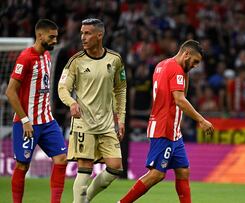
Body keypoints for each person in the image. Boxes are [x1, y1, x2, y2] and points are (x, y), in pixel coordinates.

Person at [119, 40, 214, 203]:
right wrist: (201, 120)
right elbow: (179, 99)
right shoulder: (176, 70)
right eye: (195, 61)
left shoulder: (162, 65)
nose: (196, 66)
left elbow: (178, 94)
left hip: (174, 131)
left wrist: (187, 71)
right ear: (186, 54)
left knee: (183, 171)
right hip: (164, 129)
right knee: (157, 174)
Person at [57, 18, 127, 203]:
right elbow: (62, 87)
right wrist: (71, 103)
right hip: (83, 123)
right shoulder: (76, 61)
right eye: (81, 33)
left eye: (87, 33)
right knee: (85, 167)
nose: (83, 37)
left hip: (105, 123)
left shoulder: (115, 60)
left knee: (115, 167)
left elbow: (120, 90)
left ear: (99, 35)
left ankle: (85, 199)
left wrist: (121, 119)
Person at [5, 19, 67, 203]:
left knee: (62, 159)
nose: (55, 40)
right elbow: (10, 91)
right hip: (27, 123)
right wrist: (25, 120)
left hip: (47, 120)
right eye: (52, 37)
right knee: (22, 165)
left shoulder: (47, 56)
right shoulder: (25, 57)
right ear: (40, 35)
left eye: (56, 37)